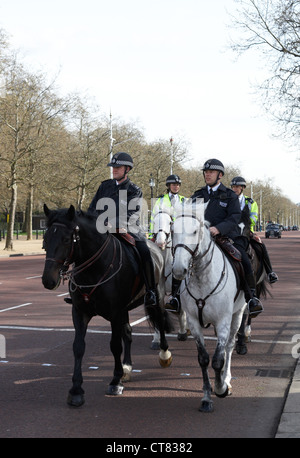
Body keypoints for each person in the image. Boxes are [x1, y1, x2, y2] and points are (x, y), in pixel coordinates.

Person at [189, 159, 263, 317]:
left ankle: (251, 298)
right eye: (206, 172)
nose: (207, 175)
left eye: (211, 172)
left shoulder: (229, 195)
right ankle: (175, 297)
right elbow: (189, 215)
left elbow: (234, 217)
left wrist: (218, 229)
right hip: (201, 239)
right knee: (182, 257)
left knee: (242, 258)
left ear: (220, 175)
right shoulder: (197, 195)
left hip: (226, 237)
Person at [88, 152, 157, 307]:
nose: (114, 170)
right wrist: (95, 223)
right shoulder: (104, 186)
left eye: (118, 167)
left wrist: (115, 224)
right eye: (113, 167)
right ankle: (79, 289)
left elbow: (133, 213)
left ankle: (151, 291)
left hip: (129, 230)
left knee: (145, 252)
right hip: (103, 229)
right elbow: (92, 209)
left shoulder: (134, 190)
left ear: (127, 169)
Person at [148, 174, 185, 313]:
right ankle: (150, 291)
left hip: (179, 236)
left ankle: (178, 295)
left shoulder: (184, 200)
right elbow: (154, 218)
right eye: (173, 184)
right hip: (163, 235)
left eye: (178, 184)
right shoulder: (160, 200)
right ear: (168, 186)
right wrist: (153, 235)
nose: (176, 186)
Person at [231, 176, 278, 284]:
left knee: (260, 245)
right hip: (232, 231)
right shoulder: (229, 201)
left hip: (246, 231)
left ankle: (270, 272)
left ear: (242, 188)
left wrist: (245, 223)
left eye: (237, 187)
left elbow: (254, 217)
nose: (234, 189)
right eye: (233, 187)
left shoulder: (251, 202)